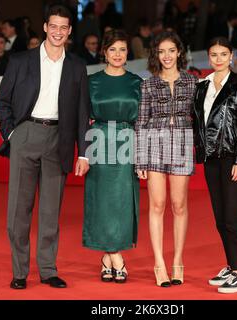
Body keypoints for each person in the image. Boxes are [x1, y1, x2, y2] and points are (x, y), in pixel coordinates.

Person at [0, 4, 90, 290]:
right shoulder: (21, 61)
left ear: (70, 31)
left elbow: (83, 111)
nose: (58, 32)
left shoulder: (76, 65)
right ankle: (20, 271)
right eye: (54, 26)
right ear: (45, 27)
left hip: (58, 139)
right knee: (18, 211)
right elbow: (3, 101)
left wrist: (83, 151)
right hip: (25, 134)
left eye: (64, 27)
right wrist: (12, 132)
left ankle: (48, 270)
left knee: (50, 212)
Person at [135, 31, 197, 287]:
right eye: (162, 52)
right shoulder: (147, 84)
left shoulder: (192, 82)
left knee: (179, 205)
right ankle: (159, 263)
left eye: (171, 50)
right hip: (153, 145)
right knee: (157, 205)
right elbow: (140, 123)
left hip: (182, 144)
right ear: (156, 55)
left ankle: (178, 261)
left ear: (179, 52)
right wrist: (139, 159)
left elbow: (200, 119)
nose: (167, 56)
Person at [193, 37, 237, 294]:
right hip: (210, 159)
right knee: (220, 217)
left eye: (223, 54)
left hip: (232, 159)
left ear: (231, 56)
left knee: (233, 215)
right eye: (213, 54)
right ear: (209, 57)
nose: (218, 59)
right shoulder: (202, 86)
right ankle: (230, 266)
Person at [83, 29, 142, 284]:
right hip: (98, 139)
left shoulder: (136, 82)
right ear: (104, 53)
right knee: (101, 200)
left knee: (122, 201)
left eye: (122, 49)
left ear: (127, 53)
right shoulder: (91, 81)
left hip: (127, 139)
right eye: (112, 49)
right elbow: (82, 118)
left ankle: (109, 258)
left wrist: (143, 157)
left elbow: (143, 121)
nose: (117, 54)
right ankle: (115, 257)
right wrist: (82, 154)